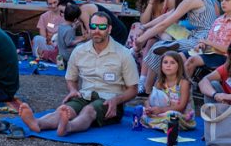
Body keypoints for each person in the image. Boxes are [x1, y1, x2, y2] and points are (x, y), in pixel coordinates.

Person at [14, 9, 138, 138]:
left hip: (110, 101)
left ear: (109, 29)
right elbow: (71, 79)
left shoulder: (123, 54)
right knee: (66, 110)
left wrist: (117, 100)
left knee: (89, 110)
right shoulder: (80, 51)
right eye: (93, 26)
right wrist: (73, 90)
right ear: (88, 28)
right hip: (85, 96)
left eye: (102, 27)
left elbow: (133, 89)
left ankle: (69, 127)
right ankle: (37, 123)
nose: (97, 30)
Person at [133, 49, 193, 131]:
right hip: (160, 112)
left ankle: (161, 125)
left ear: (179, 66)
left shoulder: (183, 83)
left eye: (172, 62)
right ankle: (154, 123)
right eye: (165, 62)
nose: (168, 65)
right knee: (140, 109)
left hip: (179, 115)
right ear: (161, 66)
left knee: (171, 116)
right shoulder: (159, 82)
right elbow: (149, 100)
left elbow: (181, 107)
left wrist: (160, 110)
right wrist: (148, 108)